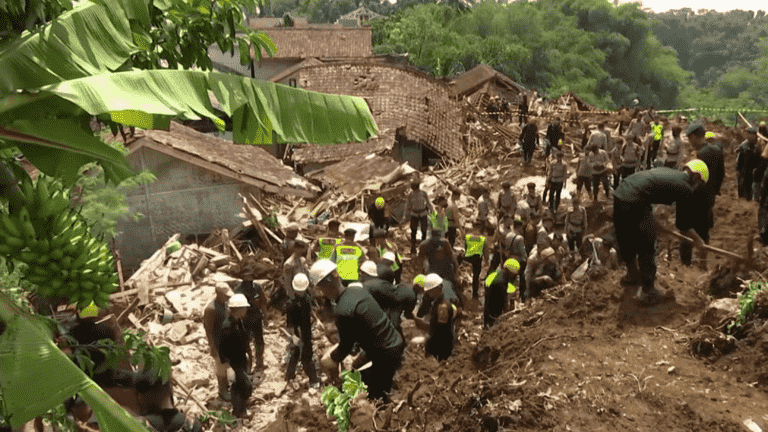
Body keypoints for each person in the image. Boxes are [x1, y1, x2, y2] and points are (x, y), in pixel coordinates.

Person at [613, 161, 709, 304]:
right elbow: (683, 226)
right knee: (647, 241)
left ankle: (632, 274)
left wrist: (652, 219)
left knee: (626, 236)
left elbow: (647, 189)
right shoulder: (685, 187)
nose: (697, 187)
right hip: (635, 201)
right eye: (699, 183)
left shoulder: (670, 172)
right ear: (695, 176)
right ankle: (648, 292)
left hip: (620, 193)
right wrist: (698, 241)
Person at [311, 261, 405, 401]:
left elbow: (345, 347)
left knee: (372, 395)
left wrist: (330, 360)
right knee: (356, 367)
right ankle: (386, 381)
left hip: (385, 353)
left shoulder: (342, 310)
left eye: (320, 288)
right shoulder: (356, 290)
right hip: (394, 341)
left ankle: (383, 398)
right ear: (336, 275)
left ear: (322, 287)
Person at [678, 124, 725, 269]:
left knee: (686, 229)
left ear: (694, 136)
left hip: (692, 197)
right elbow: (721, 173)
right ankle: (702, 263)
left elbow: (690, 177)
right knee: (704, 229)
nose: (689, 142)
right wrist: (714, 191)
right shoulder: (717, 150)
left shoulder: (699, 155)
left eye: (690, 138)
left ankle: (685, 263)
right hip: (708, 198)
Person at [218, 294, 253, 417]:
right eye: (244, 308)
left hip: (241, 359)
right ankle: (239, 411)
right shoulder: (227, 327)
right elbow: (221, 349)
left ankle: (240, 410)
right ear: (238, 309)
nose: (246, 310)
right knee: (245, 386)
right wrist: (228, 367)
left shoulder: (238, 321)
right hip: (234, 363)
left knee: (238, 387)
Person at [284, 274, 319, 388]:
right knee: (306, 357)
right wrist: (293, 336)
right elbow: (289, 323)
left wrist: (316, 319)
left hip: (307, 331)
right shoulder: (291, 304)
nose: (301, 292)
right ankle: (313, 380)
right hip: (298, 332)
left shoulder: (307, 298)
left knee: (296, 353)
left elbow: (310, 312)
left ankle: (289, 375)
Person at [417, 274, 461, 361]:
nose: (428, 293)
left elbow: (441, 330)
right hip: (452, 310)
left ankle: (443, 357)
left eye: (429, 291)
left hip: (445, 330)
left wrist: (427, 339)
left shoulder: (443, 306)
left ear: (437, 288)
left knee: (442, 341)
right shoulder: (445, 283)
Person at [235, 279, 266, 371]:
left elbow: (263, 302)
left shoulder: (257, 287)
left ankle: (260, 363)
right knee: (245, 343)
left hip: (257, 319)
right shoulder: (238, 289)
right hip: (245, 320)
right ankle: (248, 365)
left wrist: (266, 317)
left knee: (259, 341)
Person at [483, 259, 520, 328]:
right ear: (511, 273)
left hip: (488, 310)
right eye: (515, 275)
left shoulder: (498, 274)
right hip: (494, 315)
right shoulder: (501, 283)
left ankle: (486, 324)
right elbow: (505, 306)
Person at [458, 223, 489, 299]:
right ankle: (475, 295)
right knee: (476, 277)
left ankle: (460, 290)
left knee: (462, 274)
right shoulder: (483, 239)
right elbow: (486, 253)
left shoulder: (467, 236)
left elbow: (465, 248)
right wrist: (486, 260)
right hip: (477, 259)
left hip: (468, 258)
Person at [405, 179, 433, 254]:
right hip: (414, 214)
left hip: (423, 213)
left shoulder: (423, 193)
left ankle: (423, 248)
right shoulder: (410, 195)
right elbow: (408, 206)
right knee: (413, 232)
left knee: (424, 231)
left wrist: (432, 211)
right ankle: (413, 248)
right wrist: (406, 215)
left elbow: (428, 203)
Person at [736, 127, 761, 201]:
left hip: (752, 171)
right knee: (741, 185)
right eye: (746, 134)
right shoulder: (744, 144)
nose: (747, 136)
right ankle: (741, 199)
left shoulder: (758, 146)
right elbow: (740, 157)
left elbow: (759, 160)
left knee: (749, 187)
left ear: (753, 135)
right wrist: (738, 168)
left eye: (748, 134)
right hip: (743, 169)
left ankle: (749, 200)